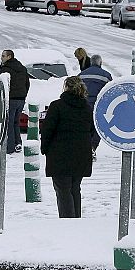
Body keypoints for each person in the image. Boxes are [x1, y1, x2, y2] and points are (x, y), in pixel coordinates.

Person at [40, 77, 95, 218]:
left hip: (60, 154)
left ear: (66, 87)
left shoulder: (57, 106)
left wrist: (45, 149)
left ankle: (68, 223)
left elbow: (47, 130)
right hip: (81, 155)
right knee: (75, 189)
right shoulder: (87, 108)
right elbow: (93, 130)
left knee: (63, 190)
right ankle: (76, 220)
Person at [78, 54, 112, 160]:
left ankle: (83, 148)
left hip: (83, 105)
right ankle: (92, 147)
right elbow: (110, 92)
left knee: (85, 127)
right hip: (98, 105)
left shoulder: (81, 75)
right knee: (97, 127)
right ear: (100, 63)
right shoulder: (106, 76)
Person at [0, 50, 31, 154]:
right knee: (16, 122)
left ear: (9, 57)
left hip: (10, 99)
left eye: (3, 56)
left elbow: (0, 85)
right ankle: (18, 143)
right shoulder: (22, 68)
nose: (1, 57)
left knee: (9, 123)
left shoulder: (5, 70)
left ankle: (10, 147)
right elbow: (27, 83)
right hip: (21, 99)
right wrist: (23, 95)